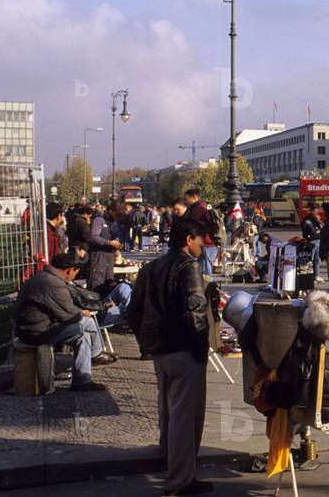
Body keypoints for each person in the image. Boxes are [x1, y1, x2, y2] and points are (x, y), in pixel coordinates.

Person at [127, 217, 213, 496]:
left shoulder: (151, 267)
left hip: (159, 349)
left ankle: (170, 460)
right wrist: (201, 350)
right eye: (201, 239)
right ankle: (180, 480)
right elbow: (195, 311)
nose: (204, 245)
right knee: (185, 419)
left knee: (167, 412)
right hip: (183, 349)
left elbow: (134, 311)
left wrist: (146, 342)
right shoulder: (189, 266)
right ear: (189, 240)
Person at [14, 252, 116, 392]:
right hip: (37, 332)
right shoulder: (54, 283)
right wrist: (82, 313)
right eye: (75, 273)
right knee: (86, 323)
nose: (75, 277)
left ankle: (83, 379)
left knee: (83, 333)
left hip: (31, 327)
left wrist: (78, 313)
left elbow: (62, 309)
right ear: (69, 270)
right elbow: (69, 315)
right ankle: (96, 355)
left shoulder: (42, 277)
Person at [86, 203, 122, 291]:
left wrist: (116, 247)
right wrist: (109, 243)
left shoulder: (114, 223)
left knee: (108, 282)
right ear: (111, 211)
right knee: (97, 282)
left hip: (109, 255)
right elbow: (93, 237)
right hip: (98, 255)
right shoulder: (99, 220)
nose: (118, 217)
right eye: (117, 214)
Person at [183, 189, 217, 276]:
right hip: (205, 244)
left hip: (204, 244)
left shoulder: (198, 209)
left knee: (204, 273)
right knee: (202, 271)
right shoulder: (201, 207)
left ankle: (206, 288)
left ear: (194, 197)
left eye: (186, 199)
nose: (185, 201)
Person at [301, 206, 324, 277]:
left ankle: (316, 276)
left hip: (319, 240)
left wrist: (319, 221)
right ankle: (308, 277)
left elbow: (323, 228)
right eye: (315, 211)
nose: (316, 213)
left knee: (317, 260)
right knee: (309, 259)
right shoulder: (307, 220)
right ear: (311, 211)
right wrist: (307, 238)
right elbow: (310, 230)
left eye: (317, 211)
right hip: (311, 241)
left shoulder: (316, 219)